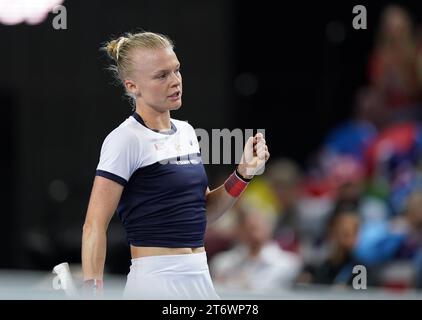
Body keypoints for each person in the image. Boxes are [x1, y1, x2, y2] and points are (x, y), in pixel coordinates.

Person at [81, 31, 270, 299]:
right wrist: (92, 292)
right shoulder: (124, 139)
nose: (175, 82)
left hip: (200, 278)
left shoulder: (186, 132)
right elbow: (94, 225)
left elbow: (201, 215)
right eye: (161, 76)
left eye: (176, 70)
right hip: (155, 283)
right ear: (132, 86)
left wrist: (243, 174)